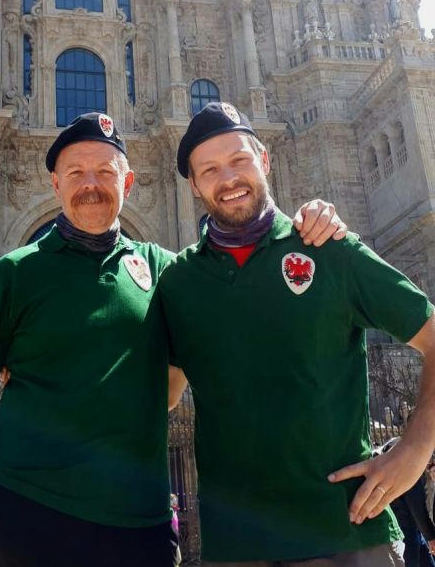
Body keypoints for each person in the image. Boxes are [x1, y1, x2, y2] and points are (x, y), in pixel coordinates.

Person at [0, 112, 345, 567]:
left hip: (142, 528)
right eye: (75, 173)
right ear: (55, 184)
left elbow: (240, 292)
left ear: (128, 183)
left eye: (105, 172)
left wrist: (306, 224)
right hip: (31, 519)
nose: (90, 184)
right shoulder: (11, 275)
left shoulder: (165, 270)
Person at [160, 101, 435, 567]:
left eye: (240, 160)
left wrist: (415, 448)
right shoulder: (179, 282)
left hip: (346, 537)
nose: (228, 178)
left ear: (265, 160)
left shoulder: (327, 247)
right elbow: (161, 397)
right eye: (209, 169)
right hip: (236, 548)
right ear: (194, 185)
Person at [381, 439, 435, 567]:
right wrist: (431, 536)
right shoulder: (411, 458)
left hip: (404, 526)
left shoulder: (398, 448)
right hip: (408, 528)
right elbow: (416, 503)